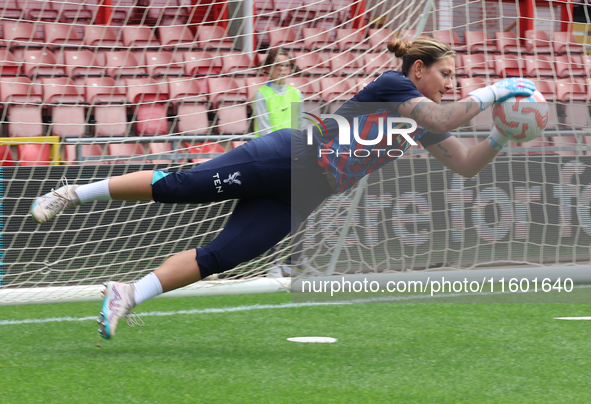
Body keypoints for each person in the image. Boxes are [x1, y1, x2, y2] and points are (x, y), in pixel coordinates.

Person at [30, 36, 536, 339]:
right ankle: (75, 192)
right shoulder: (394, 85)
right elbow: (444, 111)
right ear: (418, 70)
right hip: (285, 156)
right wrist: (494, 93)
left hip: (306, 193)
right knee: (183, 187)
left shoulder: (425, 120)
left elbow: (467, 164)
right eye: (446, 73)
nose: (452, 82)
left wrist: (498, 134)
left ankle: (125, 294)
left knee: (223, 257)